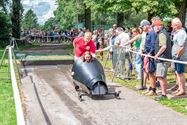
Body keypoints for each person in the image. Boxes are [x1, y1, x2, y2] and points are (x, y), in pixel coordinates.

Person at [153, 19, 172, 100]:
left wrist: (156, 55)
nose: (153, 28)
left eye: (154, 26)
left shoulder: (162, 34)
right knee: (162, 77)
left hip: (163, 58)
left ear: (157, 26)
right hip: (164, 58)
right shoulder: (163, 33)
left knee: (161, 77)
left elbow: (164, 46)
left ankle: (164, 95)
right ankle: (164, 93)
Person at [140, 19, 157, 96]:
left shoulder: (152, 33)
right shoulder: (147, 33)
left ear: (147, 25)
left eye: (142, 27)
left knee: (151, 73)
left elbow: (153, 45)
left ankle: (153, 90)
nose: (142, 28)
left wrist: (149, 54)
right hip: (147, 55)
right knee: (149, 72)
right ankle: (150, 88)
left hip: (151, 55)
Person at [171, 18, 187, 96]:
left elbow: (181, 46)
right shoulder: (177, 33)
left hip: (180, 57)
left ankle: (182, 90)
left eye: (172, 24)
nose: (171, 26)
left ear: (176, 25)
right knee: (178, 73)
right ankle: (180, 88)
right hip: (176, 57)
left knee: (180, 73)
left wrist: (177, 56)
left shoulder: (181, 33)